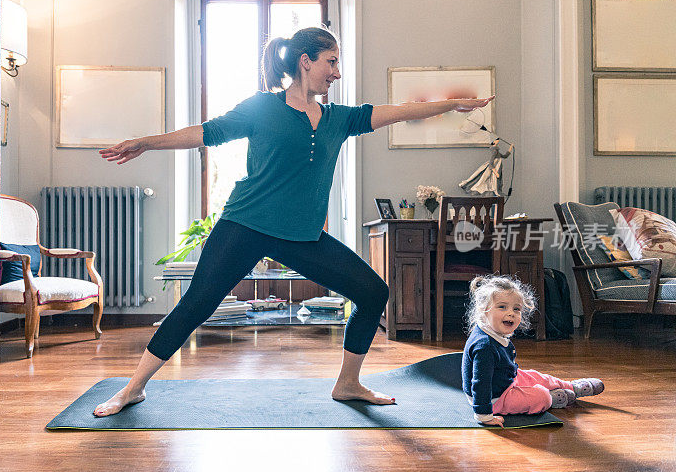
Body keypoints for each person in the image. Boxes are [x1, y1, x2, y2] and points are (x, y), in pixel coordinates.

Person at [93, 26, 494, 417]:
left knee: (372, 293)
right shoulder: (262, 108)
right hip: (244, 225)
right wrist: (146, 142)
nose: (337, 72)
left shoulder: (339, 118)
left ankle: (348, 383)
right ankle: (133, 388)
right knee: (196, 304)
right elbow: (206, 133)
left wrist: (451, 104)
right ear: (306, 61)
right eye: (331, 61)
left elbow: (401, 112)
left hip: (301, 237)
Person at [462, 275, 604, 427]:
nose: (511, 313)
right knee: (540, 395)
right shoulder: (484, 346)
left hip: (504, 380)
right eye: (502, 307)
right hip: (493, 399)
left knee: (538, 377)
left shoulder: (493, 331)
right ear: (484, 310)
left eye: (516, 309)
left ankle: (570, 386)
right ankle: (551, 399)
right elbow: (480, 384)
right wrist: (484, 415)